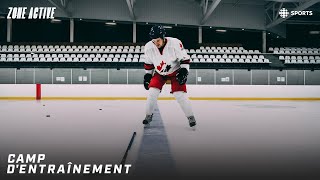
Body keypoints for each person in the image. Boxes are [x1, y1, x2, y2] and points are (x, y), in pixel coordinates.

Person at [142, 25, 196, 127]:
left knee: (180, 94)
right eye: (153, 41)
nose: (155, 43)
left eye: (158, 40)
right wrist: (147, 76)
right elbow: (148, 64)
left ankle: (190, 116)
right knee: (152, 92)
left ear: (163, 37)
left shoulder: (175, 43)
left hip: (175, 71)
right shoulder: (148, 47)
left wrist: (184, 71)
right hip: (159, 73)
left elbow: (185, 59)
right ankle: (148, 115)